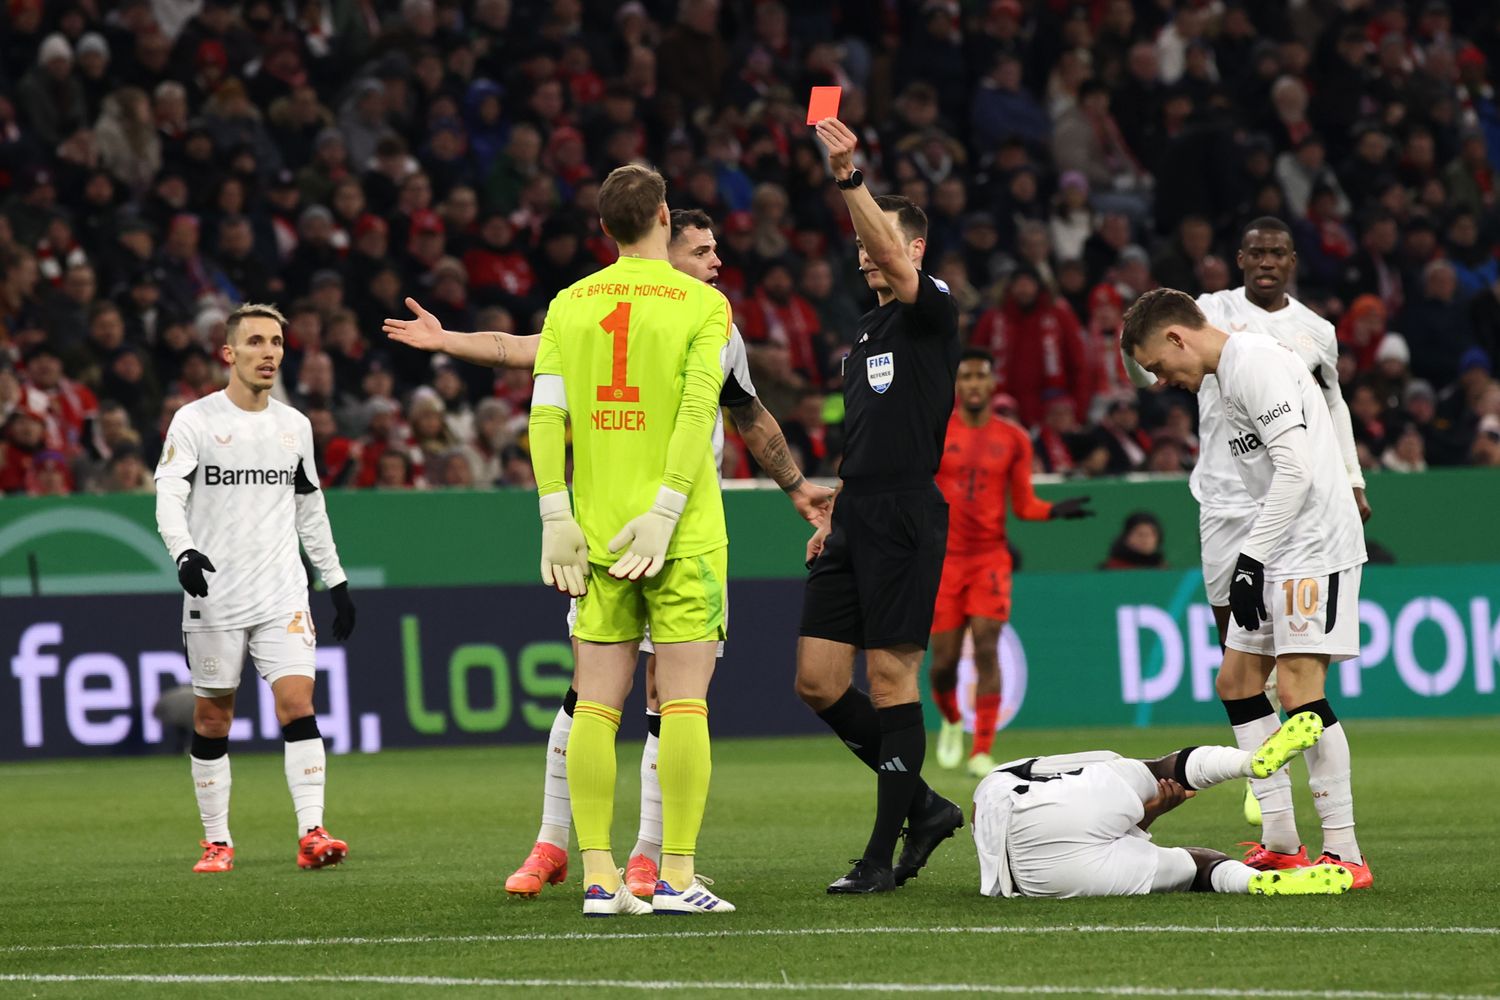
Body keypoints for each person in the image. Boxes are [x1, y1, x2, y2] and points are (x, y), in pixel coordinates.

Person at [385, 208, 831, 901]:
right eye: (701, 250)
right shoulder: (608, 311)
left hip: (616, 527)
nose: (716, 262)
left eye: (717, 250)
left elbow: (747, 412)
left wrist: (798, 486)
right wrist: (451, 341)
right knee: (607, 693)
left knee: (639, 694)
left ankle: (642, 858)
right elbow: (520, 347)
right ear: (664, 245)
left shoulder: (714, 325)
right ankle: (555, 843)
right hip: (663, 529)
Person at [525, 164, 734, 916]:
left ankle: (598, 876)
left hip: (596, 533)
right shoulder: (703, 304)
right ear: (663, 217)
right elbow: (697, 413)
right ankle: (675, 875)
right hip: (681, 534)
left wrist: (556, 514)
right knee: (681, 706)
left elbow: (547, 417)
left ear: (605, 228)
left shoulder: (568, 304)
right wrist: (669, 507)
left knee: (595, 707)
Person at [1124, 217, 1368, 834]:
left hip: (1309, 539)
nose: (1160, 382)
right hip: (1262, 527)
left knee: (1299, 691)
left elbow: (1296, 473)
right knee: (1235, 677)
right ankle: (1280, 836)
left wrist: (1253, 561)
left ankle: (1343, 847)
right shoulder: (1223, 358)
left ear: (1179, 340)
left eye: (1158, 366)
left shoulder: (1258, 361)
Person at [795, 116, 964, 896]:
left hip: (904, 514)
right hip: (856, 510)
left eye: (880, 241)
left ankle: (878, 855)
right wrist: (836, 499)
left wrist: (848, 178)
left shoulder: (933, 308)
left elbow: (892, 258)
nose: (864, 250)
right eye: (860, 240)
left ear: (914, 249)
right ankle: (924, 806)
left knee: (892, 680)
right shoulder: (862, 333)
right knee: (819, 681)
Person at [153, 303, 357, 873]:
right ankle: (217, 840)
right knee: (213, 720)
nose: (269, 353)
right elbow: (169, 492)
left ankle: (313, 832)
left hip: (282, 593)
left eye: (276, 343)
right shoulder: (195, 420)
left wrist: (334, 579)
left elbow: (310, 508)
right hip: (215, 594)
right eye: (256, 343)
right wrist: (184, 551)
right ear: (229, 353)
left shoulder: (294, 426)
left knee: (298, 705)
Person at [973, 713, 1354, 898]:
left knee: (1196, 866)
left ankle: (1257, 882)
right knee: (1164, 769)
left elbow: (1099, 833)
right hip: (1038, 809)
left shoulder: (1000, 783)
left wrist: (1152, 810)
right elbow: (1092, 813)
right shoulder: (1028, 773)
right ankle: (1249, 764)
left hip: (1034, 880)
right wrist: (1148, 800)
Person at [930, 348, 1092, 778]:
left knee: (986, 646)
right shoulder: (935, 431)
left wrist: (1054, 511)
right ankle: (950, 719)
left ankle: (981, 749)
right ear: (957, 383)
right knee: (943, 662)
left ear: (992, 383)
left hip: (989, 558)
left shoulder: (1013, 438)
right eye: (966, 377)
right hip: (943, 560)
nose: (974, 385)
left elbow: (1023, 504)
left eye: (981, 376)